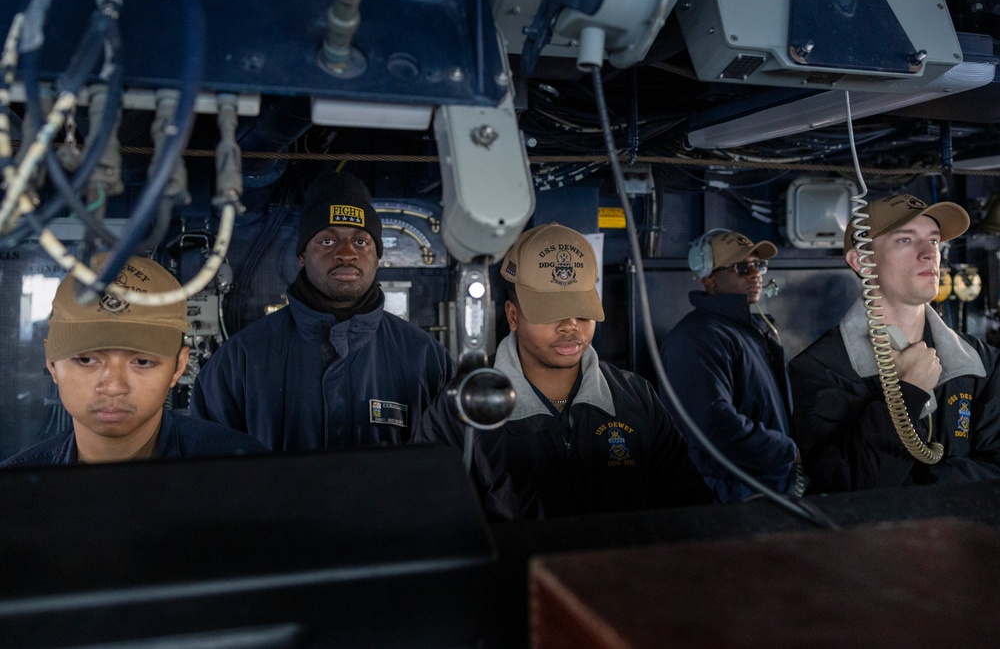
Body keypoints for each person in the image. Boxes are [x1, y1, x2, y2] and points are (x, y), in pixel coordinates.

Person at [413, 223, 713, 520]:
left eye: (582, 312)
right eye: (551, 313)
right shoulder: (462, 407)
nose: (570, 326)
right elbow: (433, 518)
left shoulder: (637, 398)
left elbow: (687, 508)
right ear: (513, 315)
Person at [190, 171, 455, 450]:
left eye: (361, 242)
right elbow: (211, 468)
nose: (346, 254)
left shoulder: (426, 359)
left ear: (378, 255)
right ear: (302, 255)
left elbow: (455, 465)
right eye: (328, 241)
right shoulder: (238, 360)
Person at [789, 194, 1000, 492]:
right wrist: (908, 393)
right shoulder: (820, 367)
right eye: (905, 239)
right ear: (862, 261)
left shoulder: (982, 362)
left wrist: (918, 490)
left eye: (934, 240)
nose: (929, 253)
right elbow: (843, 486)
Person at [0, 256, 267, 467]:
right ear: (52, 363)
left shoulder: (243, 475)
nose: (113, 387)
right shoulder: (14, 494)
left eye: (142, 361)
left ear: (178, 366)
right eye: (86, 359)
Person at [660, 229, 802, 503]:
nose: (755, 274)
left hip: (771, 486)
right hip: (733, 495)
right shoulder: (695, 339)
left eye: (758, 265)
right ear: (709, 278)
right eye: (742, 268)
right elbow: (715, 425)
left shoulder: (752, 330)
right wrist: (787, 451)